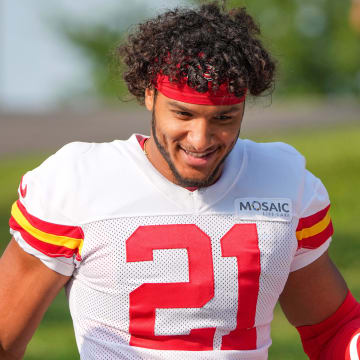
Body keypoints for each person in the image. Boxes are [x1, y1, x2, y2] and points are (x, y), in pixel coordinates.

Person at [0, 2, 359, 359]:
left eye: (224, 118)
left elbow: (331, 328)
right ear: (149, 96)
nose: (201, 139)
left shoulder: (284, 182)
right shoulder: (76, 182)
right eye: (183, 114)